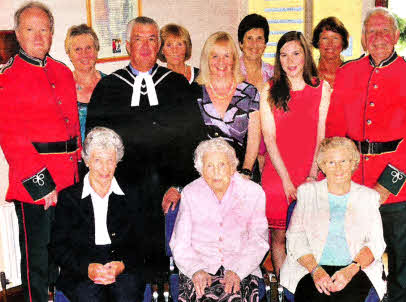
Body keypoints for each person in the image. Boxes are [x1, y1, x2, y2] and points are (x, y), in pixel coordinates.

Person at [86, 16, 205, 281]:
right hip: (123, 188)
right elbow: (95, 142)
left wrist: (179, 185)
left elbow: (195, 141)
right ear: (128, 45)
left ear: (159, 45)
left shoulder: (176, 86)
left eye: (152, 39)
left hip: (168, 188)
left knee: (166, 258)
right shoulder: (109, 88)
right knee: (130, 260)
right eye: (139, 39)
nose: (146, 45)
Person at [326, 7, 406, 302]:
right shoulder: (347, 73)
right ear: (363, 38)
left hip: (397, 187)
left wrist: (385, 187)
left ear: (397, 36)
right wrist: (336, 178)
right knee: (353, 254)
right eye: (372, 31)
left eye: (386, 31)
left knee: (400, 260)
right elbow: (334, 131)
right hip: (353, 181)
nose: (379, 37)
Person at [0, 2, 81, 301]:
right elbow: (12, 140)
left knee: (67, 254)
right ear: (18, 35)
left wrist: (79, 173)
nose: (38, 36)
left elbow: (72, 131)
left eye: (44, 29)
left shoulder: (62, 72)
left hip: (69, 180)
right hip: (35, 186)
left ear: (52, 33)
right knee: (38, 264)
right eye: (30, 29)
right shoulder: (6, 78)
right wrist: (43, 185)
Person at [161, 31, 261, 213]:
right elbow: (183, 142)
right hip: (204, 179)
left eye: (226, 56)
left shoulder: (250, 92)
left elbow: (254, 138)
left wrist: (245, 173)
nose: (221, 62)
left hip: (241, 176)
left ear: (234, 59)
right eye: (215, 56)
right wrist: (178, 184)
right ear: (207, 59)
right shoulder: (193, 92)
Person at [260, 31, 332, 278]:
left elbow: (322, 136)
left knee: (310, 237)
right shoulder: (268, 90)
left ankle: (308, 287)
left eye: (296, 54)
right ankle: (284, 287)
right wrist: (286, 180)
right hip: (278, 172)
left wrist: (312, 175)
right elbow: (269, 138)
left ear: (306, 55)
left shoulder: (322, 89)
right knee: (279, 236)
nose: (290, 61)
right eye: (283, 55)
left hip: (312, 170)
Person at [281, 137, 386, 302]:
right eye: (331, 162)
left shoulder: (368, 197)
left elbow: (376, 243)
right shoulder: (307, 193)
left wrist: (349, 271)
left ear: (353, 163)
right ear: (322, 166)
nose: (338, 168)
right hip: (311, 268)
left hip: (354, 268)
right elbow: (295, 238)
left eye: (343, 161)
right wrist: (315, 270)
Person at [50, 127, 145, 302]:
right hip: (81, 268)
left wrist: (122, 264)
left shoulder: (132, 194)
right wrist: (87, 268)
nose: (105, 168)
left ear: (117, 161)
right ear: (87, 161)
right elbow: (59, 247)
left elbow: (143, 242)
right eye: (98, 160)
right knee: (89, 296)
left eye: (110, 160)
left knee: (127, 293)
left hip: (122, 265)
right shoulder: (69, 197)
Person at [170, 138, 269, 302]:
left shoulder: (253, 192)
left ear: (232, 167)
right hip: (199, 267)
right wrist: (195, 270)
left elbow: (258, 240)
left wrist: (238, 270)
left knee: (234, 296)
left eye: (222, 165)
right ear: (201, 170)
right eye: (209, 165)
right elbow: (180, 242)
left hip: (242, 267)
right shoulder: (190, 192)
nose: (216, 171)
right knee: (202, 296)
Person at [237, 13, 274, 174]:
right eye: (249, 38)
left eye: (259, 38)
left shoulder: (274, 74)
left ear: (265, 43)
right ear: (240, 43)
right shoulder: (230, 72)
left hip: (270, 149)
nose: (254, 44)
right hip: (238, 149)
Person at [65, 24, 106, 142]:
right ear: (69, 54)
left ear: (96, 50)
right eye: (77, 49)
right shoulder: (61, 88)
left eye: (89, 48)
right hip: (74, 158)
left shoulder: (111, 85)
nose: (84, 54)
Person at [312, 17, 349, 88]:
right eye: (325, 38)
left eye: (335, 38)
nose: (330, 44)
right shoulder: (307, 76)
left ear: (343, 43)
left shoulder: (352, 76)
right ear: (317, 42)